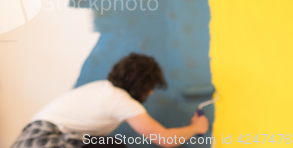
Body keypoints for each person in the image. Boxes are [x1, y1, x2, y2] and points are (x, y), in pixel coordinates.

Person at [11, 53, 209, 148]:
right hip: (44, 141)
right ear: (141, 84)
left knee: (107, 144)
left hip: (28, 139)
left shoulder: (103, 89)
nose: (150, 94)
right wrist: (196, 127)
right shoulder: (121, 100)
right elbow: (165, 139)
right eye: (150, 88)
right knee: (113, 147)